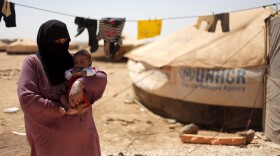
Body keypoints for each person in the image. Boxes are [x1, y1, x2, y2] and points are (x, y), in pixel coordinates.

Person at [17, 19, 107, 156]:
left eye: (65, 40)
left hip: (83, 137)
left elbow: (100, 77)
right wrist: (63, 109)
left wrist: (80, 83)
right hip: (50, 140)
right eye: (56, 41)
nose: (61, 44)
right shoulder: (33, 63)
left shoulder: (74, 61)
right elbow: (27, 99)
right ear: (44, 41)